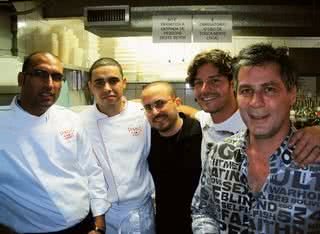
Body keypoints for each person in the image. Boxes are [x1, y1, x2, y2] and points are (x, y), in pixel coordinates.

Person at [191, 43, 320, 233]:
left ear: (292, 94)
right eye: (246, 91)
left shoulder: (315, 160)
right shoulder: (220, 154)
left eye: (269, 89)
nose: (256, 102)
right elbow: (203, 211)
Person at [0, 52, 108, 234]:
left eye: (57, 77)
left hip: (85, 226)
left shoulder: (70, 119)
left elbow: (92, 171)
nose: (50, 85)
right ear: (21, 79)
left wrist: (99, 225)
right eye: (40, 74)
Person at [185, 48, 320, 165]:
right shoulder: (205, 120)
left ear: (232, 84)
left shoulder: (256, 121)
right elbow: (187, 110)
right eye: (198, 83)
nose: (204, 90)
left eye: (215, 81)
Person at [80, 58, 155, 234]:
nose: (107, 88)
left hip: (139, 210)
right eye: (99, 83)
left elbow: (175, 114)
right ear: (91, 87)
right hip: (102, 213)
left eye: (113, 81)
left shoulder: (143, 113)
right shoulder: (80, 121)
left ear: (124, 83)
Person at [141, 81, 202, 234]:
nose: (155, 112)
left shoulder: (199, 132)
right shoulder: (147, 138)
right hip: (164, 224)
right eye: (148, 107)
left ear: (177, 103)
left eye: (160, 103)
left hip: (200, 224)